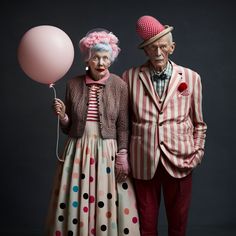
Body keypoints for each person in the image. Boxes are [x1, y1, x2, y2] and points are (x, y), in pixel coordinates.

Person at [46, 29, 140, 236]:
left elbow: (123, 125)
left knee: (105, 196)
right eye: (96, 57)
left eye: (105, 58)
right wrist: (62, 116)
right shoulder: (73, 85)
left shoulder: (120, 85)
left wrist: (122, 154)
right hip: (78, 149)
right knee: (75, 196)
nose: (101, 62)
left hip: (107, 150)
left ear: (111, 59)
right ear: (89, 58)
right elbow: (69, 128)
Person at [122, 15, 207, 236]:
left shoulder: (191, 77)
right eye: (152, 48)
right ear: (145, 50)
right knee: (145, 224)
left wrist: (196, 153)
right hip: (142, 161)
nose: (157, 53)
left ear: (172, 47)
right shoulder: (129, 77)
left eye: (162, 47)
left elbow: (199, 123)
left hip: (181, 159)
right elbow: (124, 121)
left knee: (178, 224)